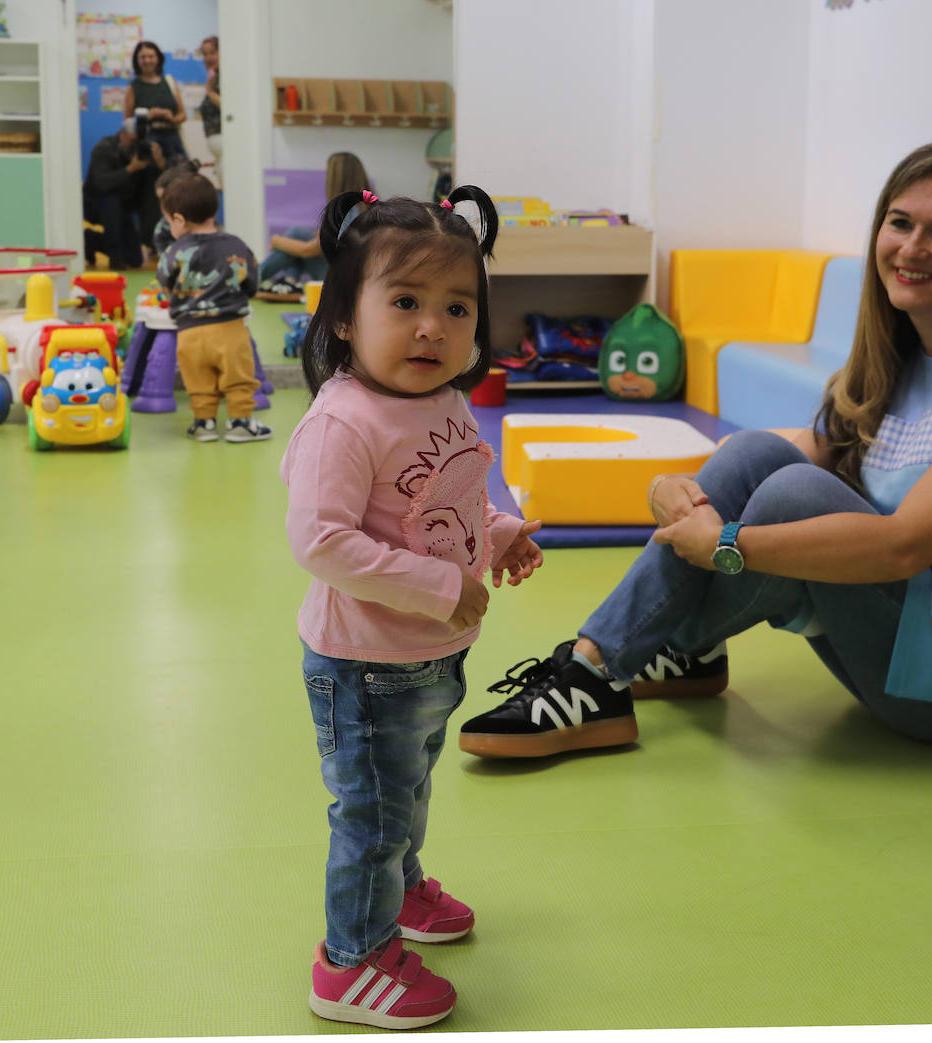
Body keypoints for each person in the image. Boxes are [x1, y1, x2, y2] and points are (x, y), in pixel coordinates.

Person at [458, 139, 932, 759]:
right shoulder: (900, 356)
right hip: (918, 635)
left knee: (792, 496)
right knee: (754, 455)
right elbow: (802, 446)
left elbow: (905, 545)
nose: (912, 247)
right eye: (900, 223)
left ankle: (632, 655)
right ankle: (604, 663)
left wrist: (726, 544)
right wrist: (674, 484)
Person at [280, 186, 544, 1029]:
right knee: (372, 813)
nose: (433, 326)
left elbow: (442, 498)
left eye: (455, 307)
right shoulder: (344, 423)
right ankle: (350, 961)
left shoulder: (441, 400)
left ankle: (402, 885)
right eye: (404, 302)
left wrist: (495, 531)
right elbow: (321, 539)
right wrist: (438, 587)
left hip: (430, 656)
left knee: (408, 791)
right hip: (366, 666)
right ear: (347, 318)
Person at [155, 172, 270, 443]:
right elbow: (252, 281)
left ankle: (203, 423)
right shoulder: (236, 245)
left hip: (189, 334)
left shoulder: (174, 251)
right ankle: (240, 422)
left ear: (180, 220)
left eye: (169, 220)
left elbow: (164, 281)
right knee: (239, 377)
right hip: (229, 329)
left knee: (198, 382)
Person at [257, 152, 371, 297]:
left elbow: (309, 250)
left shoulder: (345, 211)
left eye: (328, 173)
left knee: (295, 237)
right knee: (298, 234)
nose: (325, 178)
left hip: (341, 280)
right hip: (350, 273)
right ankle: (290, 281)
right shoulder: (361, 207)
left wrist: (276, 241)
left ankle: (251, 281)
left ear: (337, 178)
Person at [82, 120, 164, 270]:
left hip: (122, 207)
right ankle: (114, 256)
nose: (134, 145)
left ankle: (90, 240)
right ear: (123, 134)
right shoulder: (103, 149)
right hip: (95, 204)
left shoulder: (140, 151)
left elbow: (156, 184)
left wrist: (159, 162)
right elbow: (101, 183)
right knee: (111, 200)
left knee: (135, 260)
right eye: (132, 141)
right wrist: (131, 168)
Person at [123, 40, 187, 164]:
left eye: (151, 56)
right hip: (146, 140)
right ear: (137, 60)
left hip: (172, 140)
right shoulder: (132, 87)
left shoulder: (169, 82)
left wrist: (171, 118)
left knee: (180, 178)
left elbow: (182, 115)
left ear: (158, 58)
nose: (147, 60)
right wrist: (147, 116)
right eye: (143, 57)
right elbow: (127, 122)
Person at [198, 35, 222, 183]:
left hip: (228, 146)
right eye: (205, 54)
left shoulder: (228, 77)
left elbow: (230, 109)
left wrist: (210, 91)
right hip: (219, 152)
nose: (208, 58)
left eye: (212, 52)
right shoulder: (215, 78)